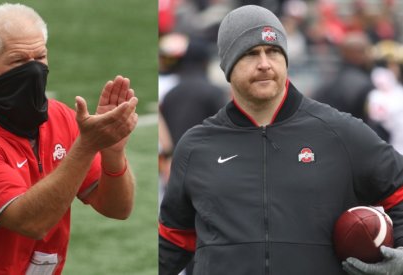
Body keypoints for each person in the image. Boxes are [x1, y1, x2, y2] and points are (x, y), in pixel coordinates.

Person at [159, 5, 403, 275]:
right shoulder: (196, 146)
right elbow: (171, 241)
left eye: (273, 51)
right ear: (227, 64)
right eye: (251, 53)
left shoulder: (340, 132)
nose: (265, 63)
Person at [0, 3, 138, 274]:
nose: (34, 70)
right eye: (18, 61)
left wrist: (113, 151)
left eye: (40, 57)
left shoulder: (62, 118)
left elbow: (116, 208)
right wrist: (87, 146)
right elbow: (32, 223)